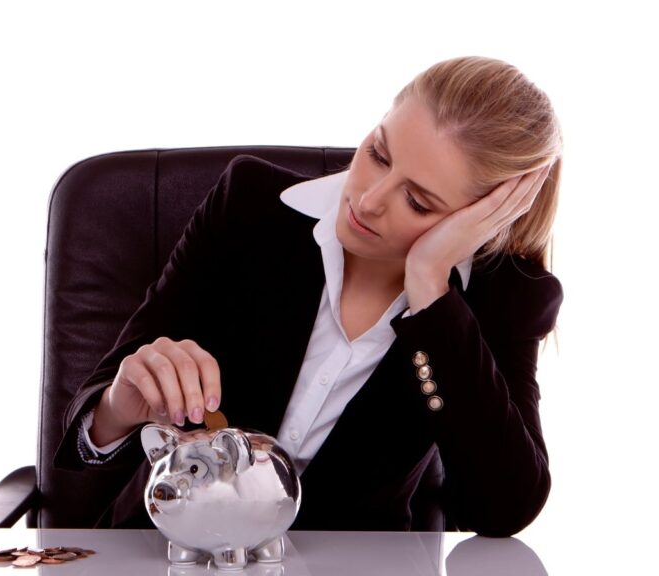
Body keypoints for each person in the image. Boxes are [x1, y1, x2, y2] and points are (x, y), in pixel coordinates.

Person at [54, 56, 563, 537]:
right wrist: (118, 408)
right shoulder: (248, 206)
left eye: (417, 202)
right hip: (171, 553)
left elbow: (502, 508)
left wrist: (430, 288)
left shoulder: (500, 299)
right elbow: (89, 438)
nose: (368, 199)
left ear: (482, 221)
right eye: (377, 154)